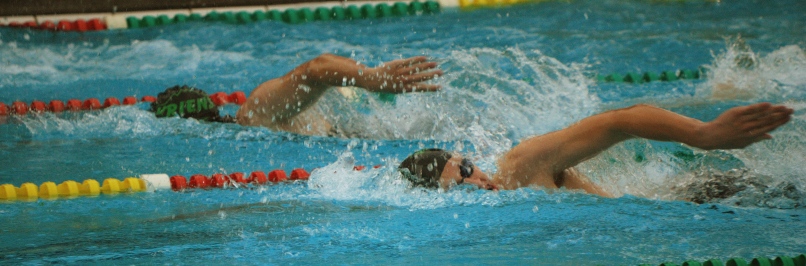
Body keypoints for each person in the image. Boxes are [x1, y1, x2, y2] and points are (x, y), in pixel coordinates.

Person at [399, 103, 794, 197]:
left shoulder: (521, 167)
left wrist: (703, 134)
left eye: (467, 168)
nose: (478, 182)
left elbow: (617, 122)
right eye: (462, 184)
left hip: (703, 196)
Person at [150, 53, 443, 135]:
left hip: (378, 135)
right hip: (372, 134)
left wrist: (372, 78)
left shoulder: (254, 114)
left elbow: (317, 67)